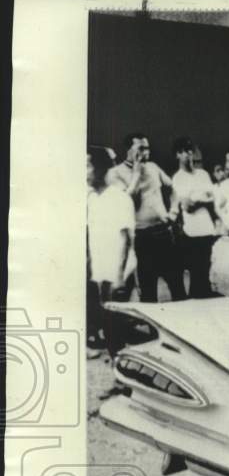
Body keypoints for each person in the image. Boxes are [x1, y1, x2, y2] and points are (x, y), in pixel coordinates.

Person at [108, 132, 186, 302]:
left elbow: (173, 190)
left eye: (148, 148)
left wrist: (173, 212)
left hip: (164, 233)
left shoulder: (153, 167)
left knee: (178, 288)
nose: (146, 152)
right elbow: (127, 201)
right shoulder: (115, 173)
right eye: (141, 148)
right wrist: (136, 173)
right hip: (142, 238)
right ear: (128, 149)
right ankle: (154, 329)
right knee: (149, 293)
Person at [87, 146, 135, 349]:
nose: (84, 171)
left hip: (118, 273)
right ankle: (120, 370)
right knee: (108, 326)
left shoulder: (118, 197)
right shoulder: (92, 198)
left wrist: (120, 278)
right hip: (101, 271)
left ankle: (125, 373)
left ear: (100, 168)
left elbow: (126, 240)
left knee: (115, 327)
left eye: (87, 165)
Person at [170, 137, 217, 298]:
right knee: (197, 274)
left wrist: (197, 199)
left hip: (208, 228)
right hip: (192, 231)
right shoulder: (178, 178)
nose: (188, 154)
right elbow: (187, 206)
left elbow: (213, 199)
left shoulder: (203, 174)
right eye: (183, 151)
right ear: (177, 155)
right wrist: (202, 198)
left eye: (190, 150)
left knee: (210, 272)